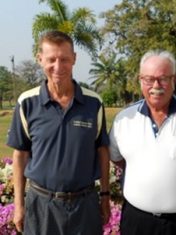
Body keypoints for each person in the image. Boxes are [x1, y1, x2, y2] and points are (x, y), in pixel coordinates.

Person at [7, 31, 110, 235]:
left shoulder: (94, 102)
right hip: (41, 205)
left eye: (64, 59)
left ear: (74, 59)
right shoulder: (27, 102)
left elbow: (102, 151)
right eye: (51, 59)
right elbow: (20, 156)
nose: (58, 66)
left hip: (85, 205)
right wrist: (18, 204)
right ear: (40, 59)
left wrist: (105, 196)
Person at [109, 50, 176, 235]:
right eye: (149, 79)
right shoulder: (123, 119)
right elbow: (117, 159)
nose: (156, 85)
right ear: (140, 80)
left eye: (163, 78)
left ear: (174, 80)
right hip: (137, 222)